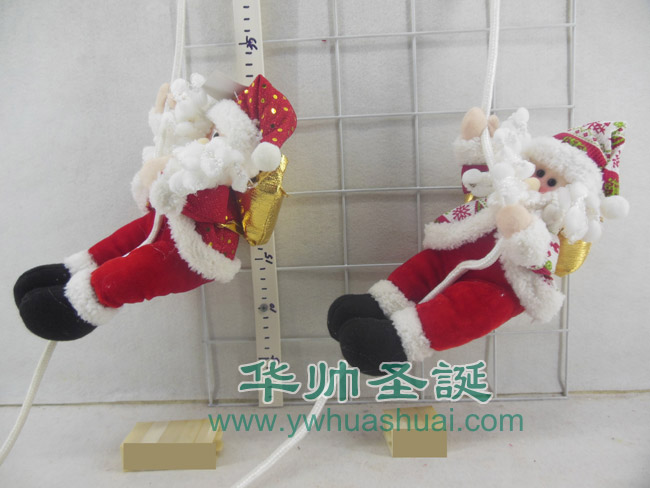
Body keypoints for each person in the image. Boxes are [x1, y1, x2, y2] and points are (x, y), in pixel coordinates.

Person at [328, 107, 628, 375]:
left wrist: (520, 226)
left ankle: (397, 342)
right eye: (538, 171)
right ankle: (380, 304)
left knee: (469, 308)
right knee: (427, 266)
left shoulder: (553, 226)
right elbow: (479, 173)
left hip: (500, 285)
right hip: (458, 250)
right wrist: (479, 140)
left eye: (551, 182)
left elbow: (535, 253)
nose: (537, 182)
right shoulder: (502, 187)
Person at [14, 74, 297, 341]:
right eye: (212, 132)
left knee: (132, 272)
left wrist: (162, 176)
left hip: (195, 253)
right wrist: (165, 125)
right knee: (124, 239)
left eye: (217, 137)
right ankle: (75, 270)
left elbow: (198, 205)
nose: (206, 139)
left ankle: (80, 306)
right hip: (174, 227)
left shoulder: (222, 183)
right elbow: (160, 192)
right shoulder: (200, 161)